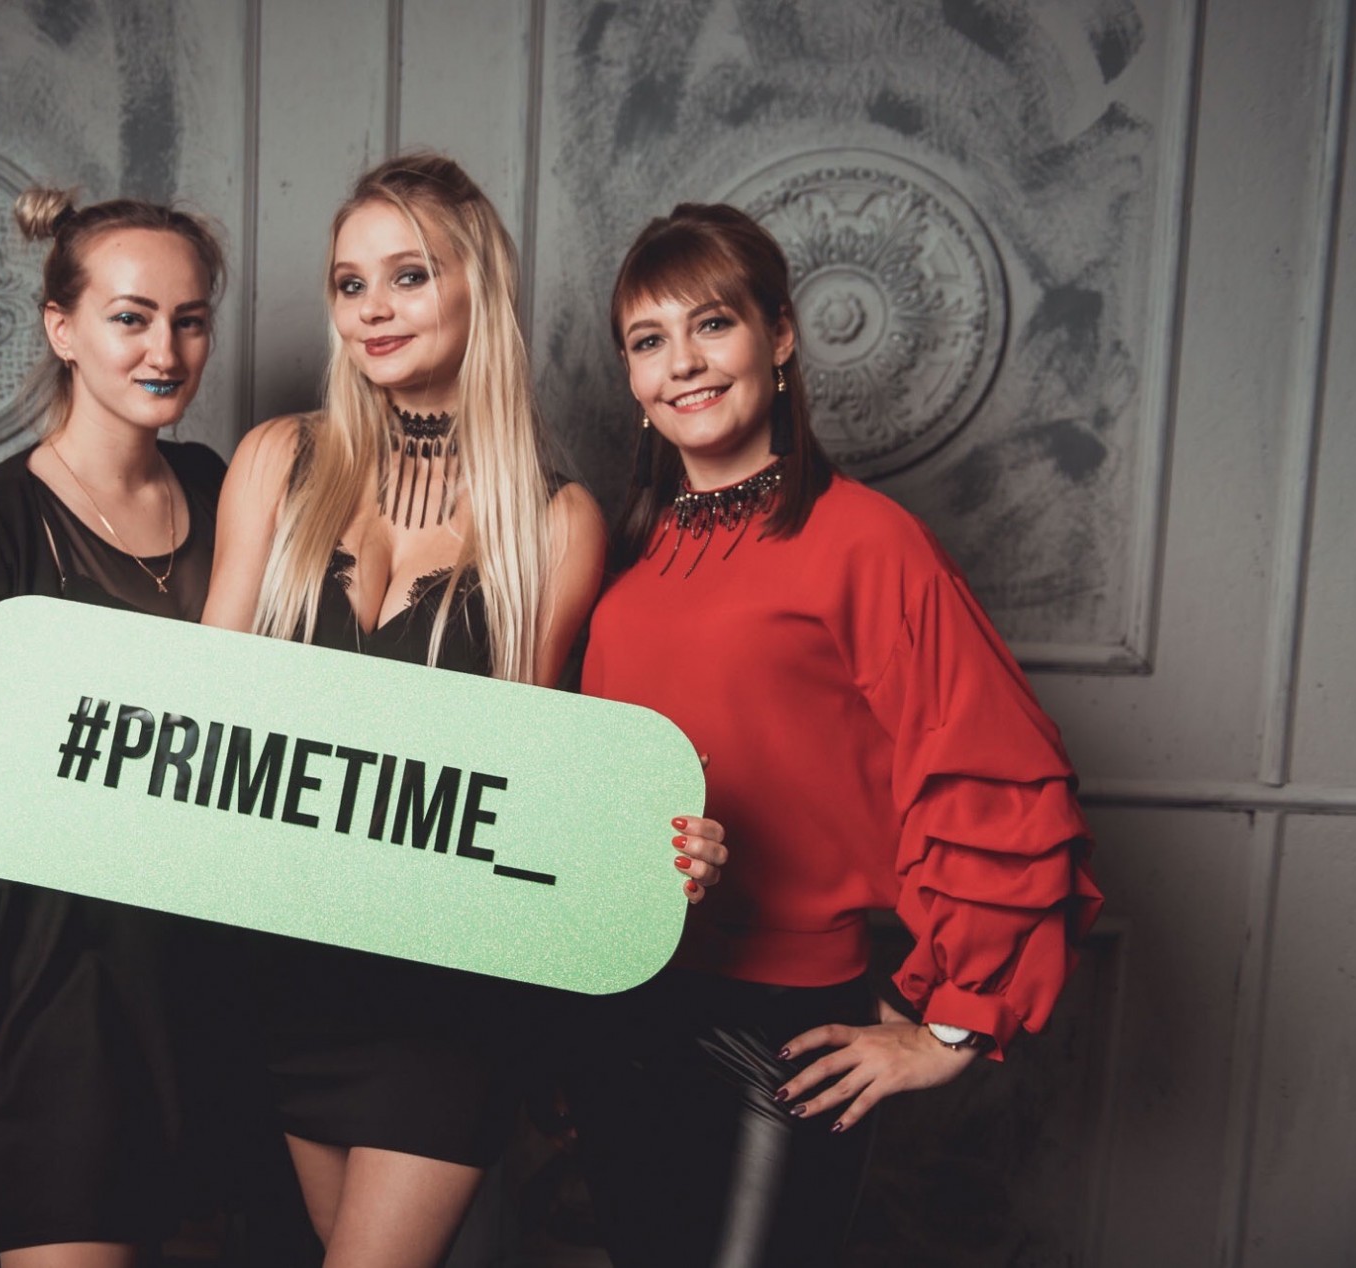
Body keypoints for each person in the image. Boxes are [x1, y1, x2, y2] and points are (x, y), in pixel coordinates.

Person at [194, 153, 724, 1267]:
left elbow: (521, 785)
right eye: (350, 285)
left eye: (409, 275)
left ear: (478, 285)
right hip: (279, 973)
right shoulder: (277, 460)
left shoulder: (553, 521)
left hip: (444, 997)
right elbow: (201, 711)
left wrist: (653, 844)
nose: (373, 309)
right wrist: (4, 699)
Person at [567, 202, 1104, 1266]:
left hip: (782, 1023)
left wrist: (949, 1027)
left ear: (778, 335)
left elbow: (995, 767)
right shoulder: (627, 556)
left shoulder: (864, 541)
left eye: (711, 324)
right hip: (621, 1009)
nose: (682, 363)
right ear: (630, 377)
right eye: (648, 340)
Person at [0, 187, 234, 1268]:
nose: (164, 351)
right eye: (130, 317)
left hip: (203, 962)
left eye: (189, 320)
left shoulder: (222, 488)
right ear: (62, 328)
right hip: (57, 970)